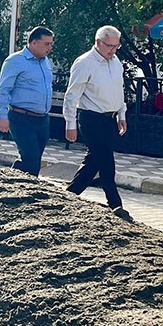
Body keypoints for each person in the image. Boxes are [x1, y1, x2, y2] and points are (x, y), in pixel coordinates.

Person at [63, 25, 131, 221]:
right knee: (106, 162)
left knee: (93, 162)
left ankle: (70, 194)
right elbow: (71, 96)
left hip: (109, 118)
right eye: (109, 46)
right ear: (98, 42)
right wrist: (70, 124)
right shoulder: (84, 63)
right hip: (91, 118)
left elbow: (119, 91)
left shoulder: (116, 61)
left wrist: (122, 115)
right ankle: (115, 204)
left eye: (116, 46)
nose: (112, 50)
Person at [0, 26, 55, 176]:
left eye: (51, 43)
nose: (50, 47)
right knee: (31, 160)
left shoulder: (45, 62)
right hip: (22, 117)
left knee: (33, 160)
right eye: (46, 43)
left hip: (42, 119)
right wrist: (2, 116)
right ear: (33, 43)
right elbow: (3, 90)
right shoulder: (15, 61)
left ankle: (15, 185)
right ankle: (17, 188)